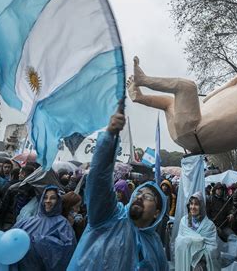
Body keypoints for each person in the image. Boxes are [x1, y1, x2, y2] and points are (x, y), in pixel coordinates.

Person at [67, 110, 168, 271]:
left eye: (148, 197)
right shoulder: (109, 217)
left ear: (157, 212)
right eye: (138, 193)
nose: (140, 197)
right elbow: (99, 179)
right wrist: (110, 138)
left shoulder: (156, 247)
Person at [13, 186, 76, 270]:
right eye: (45, 197)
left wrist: (41, 242)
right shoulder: (27, 222)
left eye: (52, 198)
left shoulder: (63, 224)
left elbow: (67, 252)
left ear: (58, 201)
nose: (48, 201)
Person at [175, 192, 220, 271]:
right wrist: (193, 242)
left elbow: (213, 249)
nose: (192, 207)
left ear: (202, 206)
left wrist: (197, 256)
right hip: (185, 259)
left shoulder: (209, 225)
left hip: (202, 263)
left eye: (196, 204)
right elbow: (178, 242)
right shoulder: (184, 221)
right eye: (191, 204)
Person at [0, 165, 35, 230]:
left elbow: (4, 205)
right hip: (28, 221)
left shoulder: (13, 188)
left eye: (20, 173)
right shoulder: (36, 189)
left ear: (23, 174)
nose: (18, 175)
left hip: (10, 220)